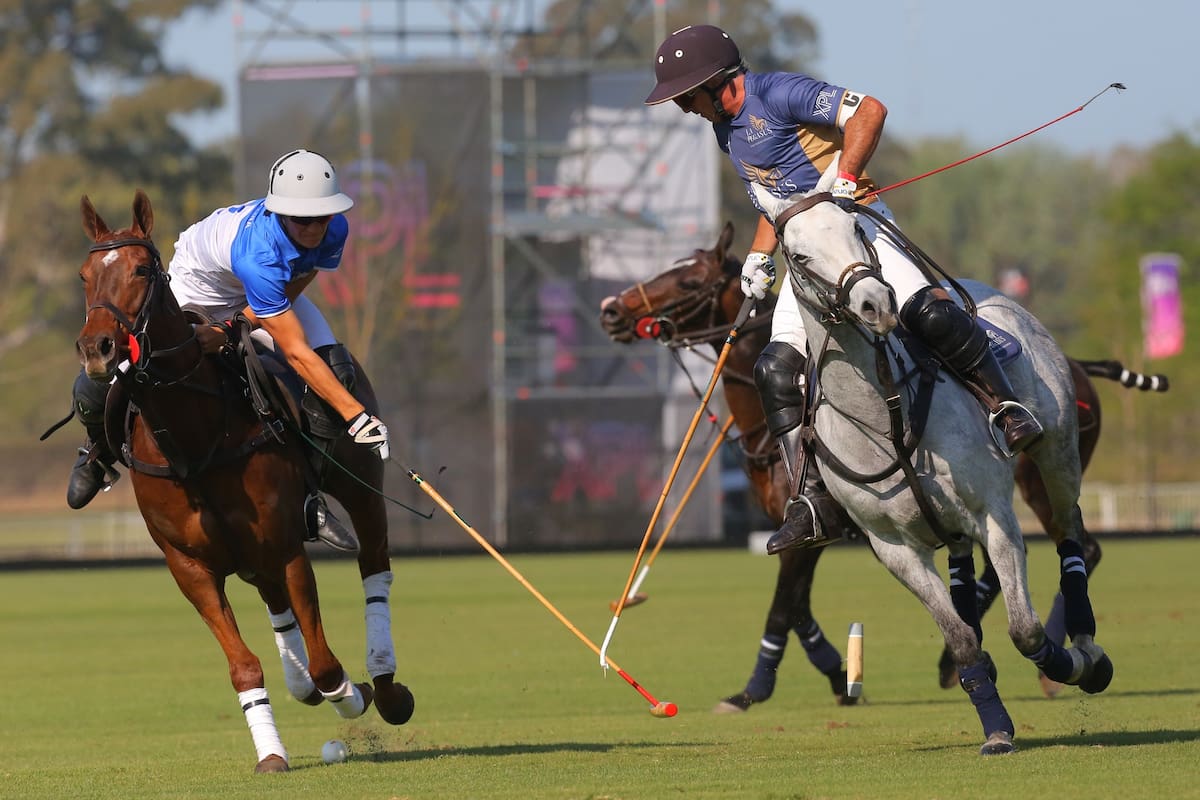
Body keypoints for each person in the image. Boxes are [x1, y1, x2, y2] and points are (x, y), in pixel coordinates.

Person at [645, 25, 1043, 551]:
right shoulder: (725, 132)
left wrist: (846, 178)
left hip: (858, 228)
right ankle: (811, 500)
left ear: (719, 83)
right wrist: (761, 256)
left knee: (930, 314)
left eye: (686, 96)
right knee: (775, 369)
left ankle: (1005, 407)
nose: (683, 107)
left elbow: (870, 110)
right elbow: (770, 199)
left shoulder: (779, 92)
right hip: (803, 250)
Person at [65, 149, 390, 552]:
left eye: (321, 217)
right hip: (202, 288)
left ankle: (309, 497)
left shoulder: (334, 230)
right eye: (302, 219)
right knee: (127, 368)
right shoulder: (256, 252)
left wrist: (241, 324)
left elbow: (300, 277)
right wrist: (357, 416)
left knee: (335, 372)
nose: (312, 228)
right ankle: (97, 451)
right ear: (281, 214)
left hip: (266, 288)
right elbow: (294, 350)